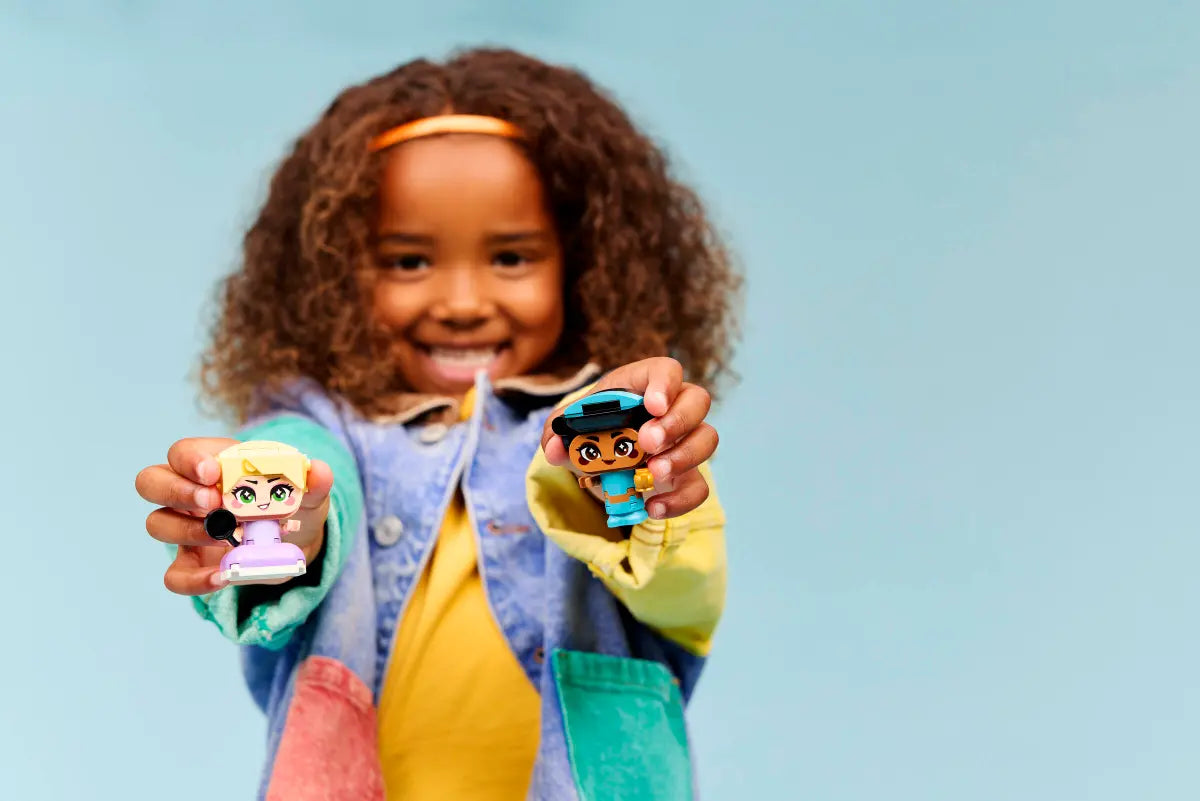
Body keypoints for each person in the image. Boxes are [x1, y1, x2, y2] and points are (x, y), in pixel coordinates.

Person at [135, 47, 739, 801]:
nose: (461, 303)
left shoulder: (601, 427)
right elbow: (303, 470)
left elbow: (683, 588)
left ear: (583, 266)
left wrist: (642, 476)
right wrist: (275, 510)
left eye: (511, 257)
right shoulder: (326, 427)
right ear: (336, 274)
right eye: (409, 261)